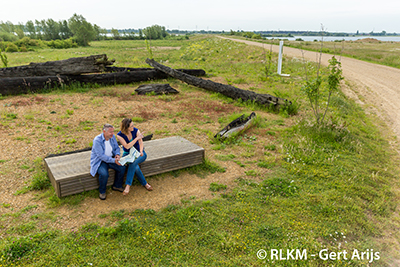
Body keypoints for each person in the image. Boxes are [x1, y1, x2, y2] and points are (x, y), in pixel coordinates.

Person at [116, 118, 153, 195]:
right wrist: (136, 138)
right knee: (135, 167)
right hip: (128, 154)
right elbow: (127, 146)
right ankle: (145, 184)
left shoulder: (136, 130)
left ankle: (128, 185)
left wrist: (141, 151)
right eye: (131, 126)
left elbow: (141, 143)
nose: (133, 127)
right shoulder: (119, 135)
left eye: (133, 125)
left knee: (133, 163)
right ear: (126, 128)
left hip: (139, 153)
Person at [90, 123, 126, 200]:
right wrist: (114, 160)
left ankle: (117, 185)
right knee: (104, 174)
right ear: (104, 131)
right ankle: (102, 191)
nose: (112, 134)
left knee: (122, 168)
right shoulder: (97, 140)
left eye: (113, 131)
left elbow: (116, 147)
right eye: (110, 132)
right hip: (100, 161)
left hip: (111, 158)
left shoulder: (112, 138)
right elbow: (101, 156)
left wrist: (117, 155)